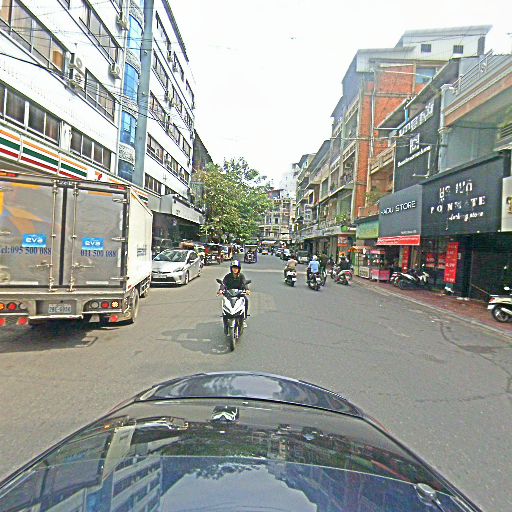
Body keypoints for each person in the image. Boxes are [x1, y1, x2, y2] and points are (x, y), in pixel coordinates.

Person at [219, 260, 250, 324]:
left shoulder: (241, 276)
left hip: (239, 294)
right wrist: (221, 290)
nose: (235, 269)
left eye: (236, 268)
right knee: (224, 301)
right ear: (231, 268)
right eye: (233, 268)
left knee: (246, 300)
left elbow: (244, 283)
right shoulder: (228, 276)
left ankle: (244, 317)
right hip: (229, 293)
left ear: (239, 269)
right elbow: (223, 284)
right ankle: (225, 315)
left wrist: (247, 290)